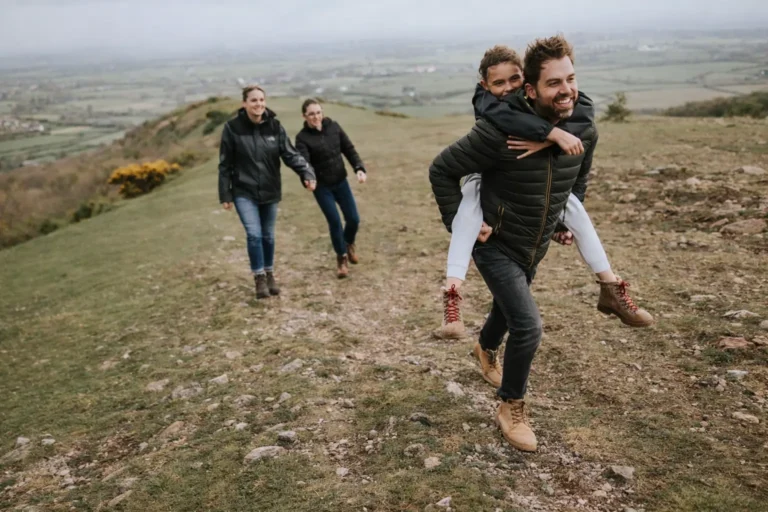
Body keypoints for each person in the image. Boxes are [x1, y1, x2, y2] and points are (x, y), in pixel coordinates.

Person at [430, 35, 604, 452]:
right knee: (528, 325)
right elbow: (441, 170)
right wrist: (463, 224)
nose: (565, 89)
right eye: (553, 82)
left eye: (570, 79)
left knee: (508, 309)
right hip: (494, 241)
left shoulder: (575, 122)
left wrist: (564, 213)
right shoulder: (496, 130)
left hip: (534, 239)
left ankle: (484, 346)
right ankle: (511, 405)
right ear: (533, 88)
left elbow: (578, 171)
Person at [436, 45, 652, 340]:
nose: (507, 88)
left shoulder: (539, 100)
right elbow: (505, 121)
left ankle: (610, 285)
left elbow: (584, 112)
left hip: (535, 183)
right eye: (498, 83)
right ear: (484, 86)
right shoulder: (488, 102)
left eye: (514, 80)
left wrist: (550, 139)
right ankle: (452, 293)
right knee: (469, 209)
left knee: (574, 207)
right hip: (489, 173)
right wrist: (551, 134)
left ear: (526, 81)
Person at [218, 85, 316, 299]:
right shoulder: (232, 128)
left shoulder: (275, 127)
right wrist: (225, 194)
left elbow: (290, 154)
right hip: (244, 191)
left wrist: (307, 173)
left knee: (268, 236)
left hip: (270, 189)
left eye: (261, 100)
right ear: (244, 103)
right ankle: (259, 277)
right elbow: (225, 164)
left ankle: (270, 272)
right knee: (254, 235)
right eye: (253, 100)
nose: (258, 104)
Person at [295, 99, 367, 278]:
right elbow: (304, 163)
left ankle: (349, 243)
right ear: (304, 116)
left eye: (318, 112)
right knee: (335, 222)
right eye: (311, 114)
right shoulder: (302, 138)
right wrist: (308, 179)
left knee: (353, 219)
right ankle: (341, 258)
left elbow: (348, 149)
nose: (316, 117)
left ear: (322, 112)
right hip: (322, 187)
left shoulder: (333, 127)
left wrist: (359, 168)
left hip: (341, 182)